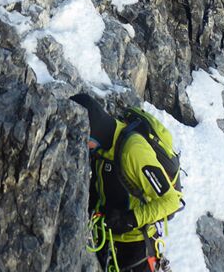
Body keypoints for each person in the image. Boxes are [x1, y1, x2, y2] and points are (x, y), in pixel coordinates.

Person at [70, 93, 180, 272]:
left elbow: (171, 201)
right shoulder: (102, 148)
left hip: (137, 247)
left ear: (92, 133)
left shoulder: (133, 151)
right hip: (107, 240)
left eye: (84, 140)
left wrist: (130, 220)